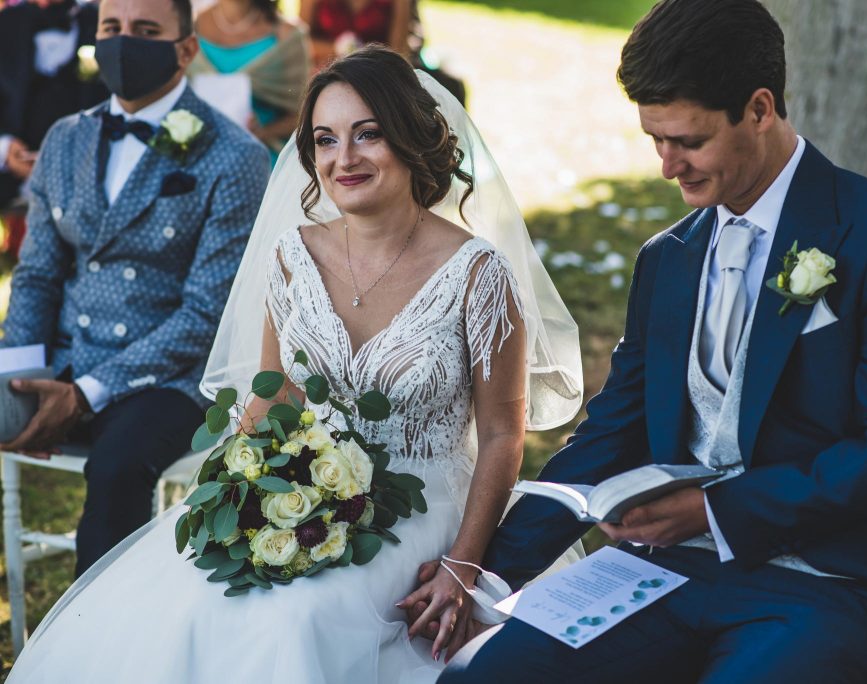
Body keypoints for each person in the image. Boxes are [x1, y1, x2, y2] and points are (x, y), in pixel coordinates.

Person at [437, 1, 867, 682]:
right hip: (671, 573)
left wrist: (716, 511)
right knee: (483, 676)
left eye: (688, 141)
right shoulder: (668, 258)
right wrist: (481, 571)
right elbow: (611, 433)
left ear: (760, 109)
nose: (667, 166)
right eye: (655, 140)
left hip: (842, 582)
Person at [5, 45, 583, 682]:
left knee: (298, 621)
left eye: (369, 134)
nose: (344, 158)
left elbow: (502, 434)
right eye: (325, 140)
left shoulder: (478, 273)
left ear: (412, 138)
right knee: (192, 604)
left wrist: (464, 565)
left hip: (424, 511)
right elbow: (274, 394)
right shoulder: (292, 256)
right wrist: (234, 498)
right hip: (300, 493)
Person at [0, 0, 268, 576]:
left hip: (170, 377)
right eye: (112, 29)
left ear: (186, 49)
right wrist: (16, 380)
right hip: (70, 355)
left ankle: (92, 626)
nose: (124, 44)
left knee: (117, 466)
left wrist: (84, 395)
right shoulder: (64, 138)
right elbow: (38, 274)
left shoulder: (234, 155)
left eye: (146, 31)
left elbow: (206, 314)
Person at [0, 0, 108, 255]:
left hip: (79, 184)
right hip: (10, 178)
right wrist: (5, 149)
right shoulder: (7, 23)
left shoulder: (98, 24)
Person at [189, 0, 309, 162]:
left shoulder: (287, 36)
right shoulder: (191, 25)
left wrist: (263, 132)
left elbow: (303, 114)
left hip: (262, 154)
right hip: (197, 152)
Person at [300, 0, 465, 104]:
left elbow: (398, 49)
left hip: (379, 72)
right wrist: (338, 48)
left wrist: (366, 56)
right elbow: (301, 41)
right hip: (324, 71)